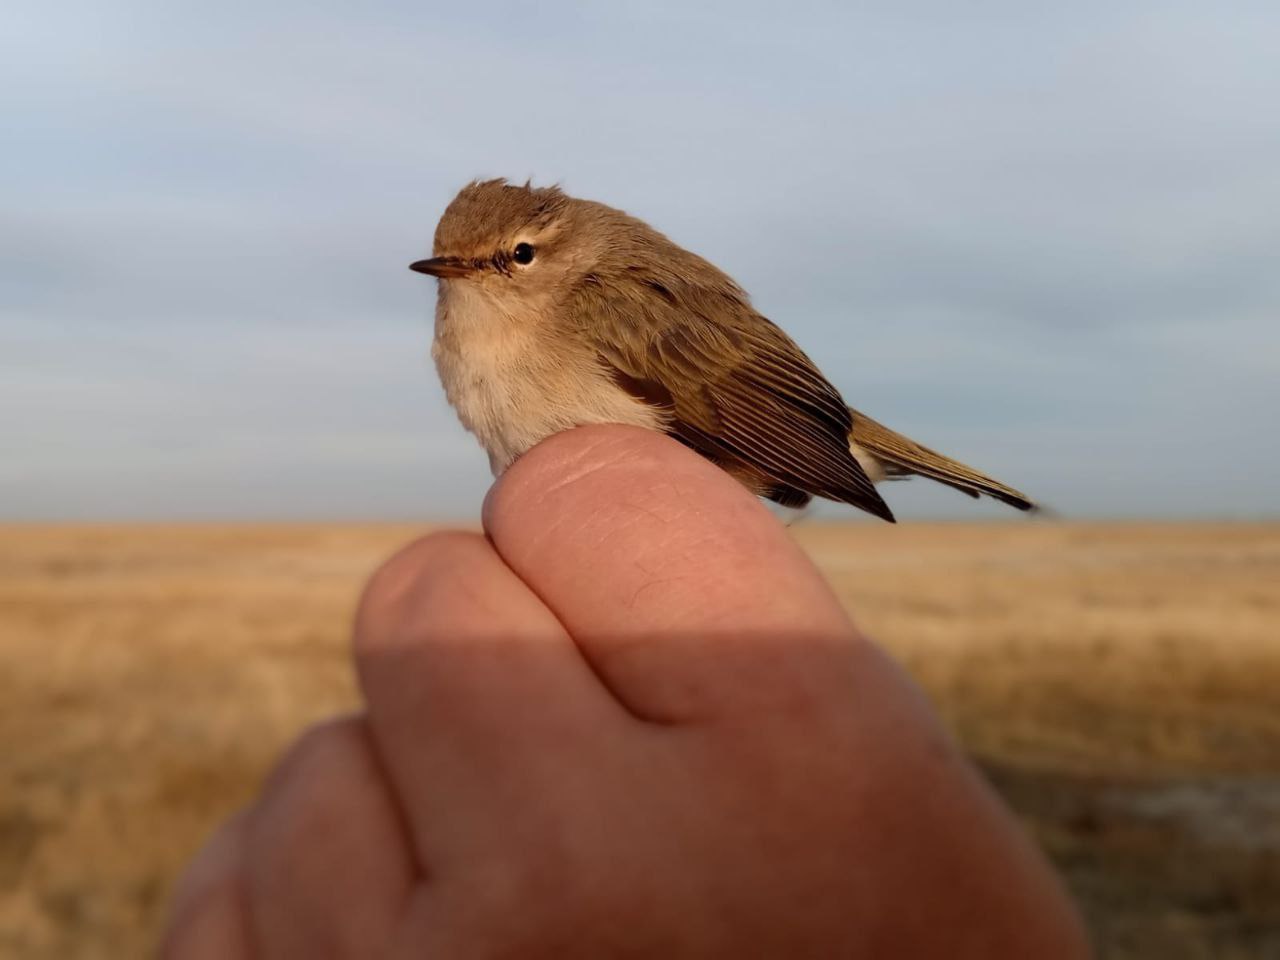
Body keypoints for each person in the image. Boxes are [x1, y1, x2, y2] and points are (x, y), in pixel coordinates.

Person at [161, 425, 1092, 958]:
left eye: (514, 259)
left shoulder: (602, 296)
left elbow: (733, 401)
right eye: (456, 265)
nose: (474, 279)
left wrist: (807, 466)